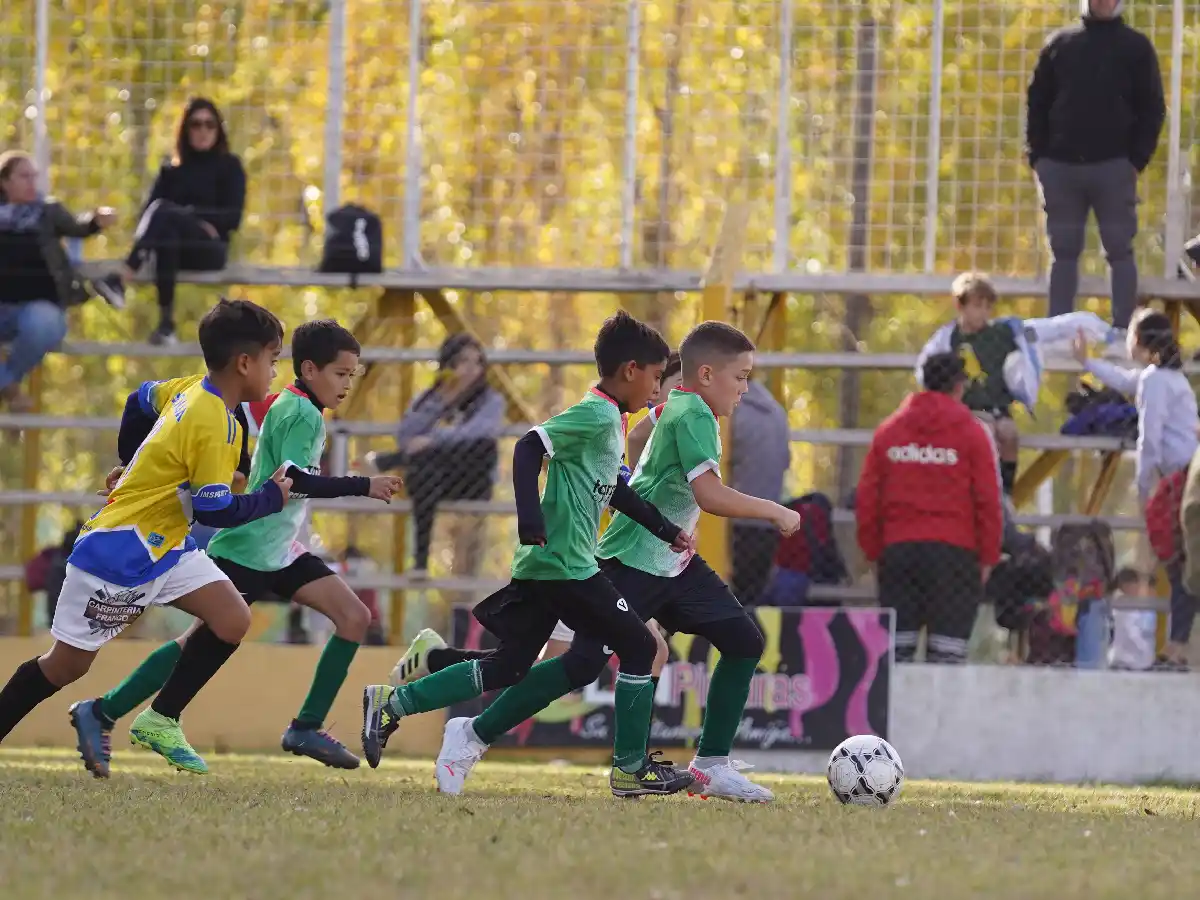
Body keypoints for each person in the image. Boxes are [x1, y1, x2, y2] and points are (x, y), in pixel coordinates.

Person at [405, 321, 802, 801]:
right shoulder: (695, 413)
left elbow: (640, 438)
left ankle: (711, 766)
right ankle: (472, 732)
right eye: (741, 377)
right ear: (705, 375)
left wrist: (649, 494)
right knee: (580, 664)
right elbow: (709, 495)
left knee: (742, 641)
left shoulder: (679, 403)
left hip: (672, 558)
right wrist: (775, 510)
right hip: (633, 558)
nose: (745, 388)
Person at [361, 310, 698, 798]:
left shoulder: (612, 420)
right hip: (565, 566)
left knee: (511, 665)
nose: (655, 388)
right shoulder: (595, 414)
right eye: (655, 376)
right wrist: (529, 518)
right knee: (642, 647)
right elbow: (527, 446)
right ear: (630, 371)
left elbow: (616, 492)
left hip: (551, 565)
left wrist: (666, 529)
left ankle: (393, 703)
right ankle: (630, 768)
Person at [66, 319, 403, 776]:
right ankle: (104, 711)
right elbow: (296, 480)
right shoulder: (301, 413)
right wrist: (365, 484)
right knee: (196, 643)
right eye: (341, 374)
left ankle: (306, 727)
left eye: (352, 375)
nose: (347, 384)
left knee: (353, 616)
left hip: (279, 549)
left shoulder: (297, 404)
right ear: (310, 369)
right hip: (247, 547)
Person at [0, 298, 288, 751]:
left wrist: (132, 463)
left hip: (168, 543)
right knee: (66, 666)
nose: (274, 372)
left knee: (232, 618)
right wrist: (271, 497)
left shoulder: (192, 388)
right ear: (244, 362)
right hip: (121, 550)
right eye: (273, 359)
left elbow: (139, 400)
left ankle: (161, 718)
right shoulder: (213, 420)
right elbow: (214, 510)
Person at [1026, 0, 1165, 329]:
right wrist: (1038, 158)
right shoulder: (1059, 45)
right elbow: (1036, 103)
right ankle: (1058, 331)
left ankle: (1123, 333)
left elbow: (1152, 107)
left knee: (1119, 251)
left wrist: (1135, 161)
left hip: (1114, 168)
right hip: (1060, 169)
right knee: (1063, 253)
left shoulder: (1136, 48)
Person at [857, 352, 1003, 663]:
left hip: (899, 553)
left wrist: (873, 551)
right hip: (955, 556)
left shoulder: (889, 432)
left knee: (897, 658)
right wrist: (988, 556)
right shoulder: (973, 433)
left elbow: (868, 499)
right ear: (959, 386)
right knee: (946, 660)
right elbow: (988, 501)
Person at [916, 272, 1117, 493]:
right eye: (977, 306)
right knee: (985, 433)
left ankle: (1005, 491)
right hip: (966, 410)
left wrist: (1096, 330)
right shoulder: (947, 339)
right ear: (960, 305)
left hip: (998, 408)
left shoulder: (1004, 332)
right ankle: (980, 489)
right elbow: (926, 370)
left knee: (1009, 434)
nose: (983, 313)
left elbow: (1051, 328)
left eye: (987, 307)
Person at [1074, 311, 1198, 668]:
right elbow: (1127, 380)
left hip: (1182, 481)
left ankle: (1176, 648)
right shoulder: (1161, 377)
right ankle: (1176, 646)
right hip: (1183, 477)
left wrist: (1144, 490)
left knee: (1179, 564)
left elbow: (1150, 442)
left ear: (1139, 342)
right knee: (1184, 563)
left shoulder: (1156, 380)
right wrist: (1087, 362)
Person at [95, 98, 247, 345]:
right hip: (173, 247)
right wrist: (189, 218)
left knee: (164, 212)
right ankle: (166, 326)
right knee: (166, 228)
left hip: (209, 248)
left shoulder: (230, 166)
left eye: (210, 124)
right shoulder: (171, 170)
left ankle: (122, 278)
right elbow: (149, 213)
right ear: (186, 130)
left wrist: (191, 218)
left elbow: (233, 218)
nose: (203, 130)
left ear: (218, 130)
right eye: (196, 124)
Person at [366, 333, 503, 578]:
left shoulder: (491, 400)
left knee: (482, 446)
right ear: (448, 364)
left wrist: (432, 440)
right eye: (464, 361)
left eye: (477, 362)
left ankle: (391, 461)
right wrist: (442, 400)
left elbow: (478, 433)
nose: (472, 369)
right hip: (436, 479)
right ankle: (420, 564)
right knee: (424, 469)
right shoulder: (430, 398)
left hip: (472, 479)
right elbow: (406, 436)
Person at [0, 150, 116, 411]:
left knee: (44, 324)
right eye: (24, 176)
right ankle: (11, 391)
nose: (32, 182)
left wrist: (96, 219)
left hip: (39, 307)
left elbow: (78, 227)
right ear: (4, 182)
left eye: (34, 176)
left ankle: (8, 386)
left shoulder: (48, 211)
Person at [728, 377, 791, 606]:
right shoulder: (776, 412)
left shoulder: (729, 413)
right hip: (766, 523)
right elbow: (785, 461)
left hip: (732, 524)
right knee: (751, 601)